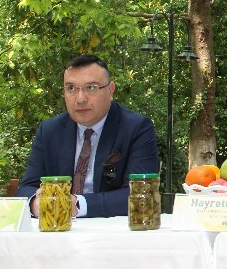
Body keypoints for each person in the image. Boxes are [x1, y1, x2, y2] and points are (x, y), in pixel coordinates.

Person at [18, 55, 159, 218]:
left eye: (91, 87)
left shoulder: (136, 128)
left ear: (111, 90)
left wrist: (77, 205)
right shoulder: (50, 130)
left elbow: (142, 194)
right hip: (57, 228)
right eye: (71, 88)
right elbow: (26, 188)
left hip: (110, 229)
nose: (80, 99)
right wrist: (36, 203)